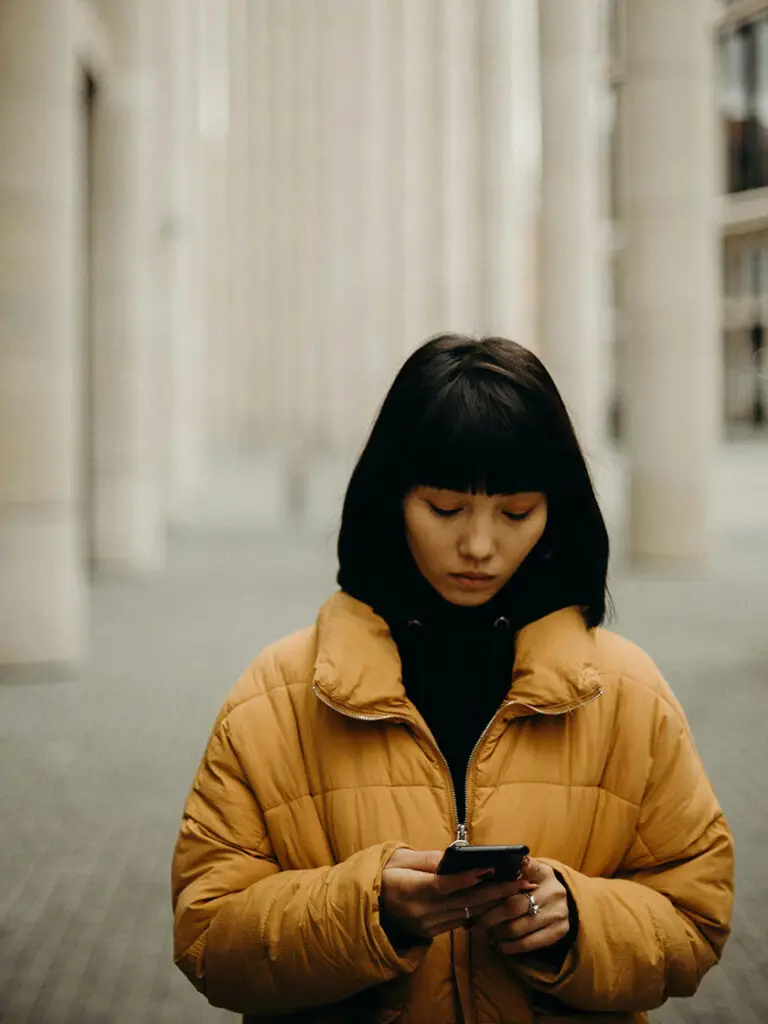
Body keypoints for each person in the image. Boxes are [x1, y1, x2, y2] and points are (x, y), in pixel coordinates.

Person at [172, 335, 734, 1024]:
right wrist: (369, 911)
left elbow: (696, 919)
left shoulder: (627, 694)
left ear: (557, 512)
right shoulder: (277, 697)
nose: (477, 545)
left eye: (516, 512)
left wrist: (579, 919)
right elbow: (208, 938)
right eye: (444, 509)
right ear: (391, 499)